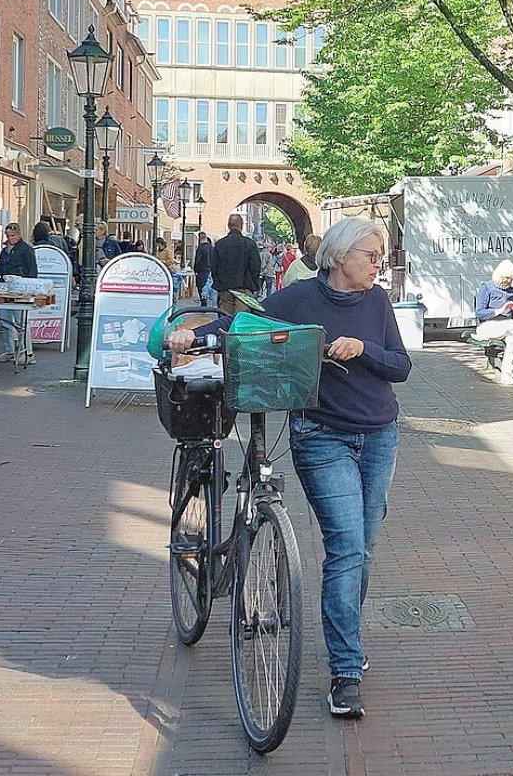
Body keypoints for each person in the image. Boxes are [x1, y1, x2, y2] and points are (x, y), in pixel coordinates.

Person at [165, 216, 409, 720]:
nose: (378, 263)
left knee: (362, 549)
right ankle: (345, 671)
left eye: (379, 254)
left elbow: (401, 367)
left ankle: (348, 637)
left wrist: (364, 350)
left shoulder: (378, 302)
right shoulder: (300, 299)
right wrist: (191, 336)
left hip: (381, 434)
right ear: (341, 256)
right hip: (323, 436)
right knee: (345, 545)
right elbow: (241, 324)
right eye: (371, 253)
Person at [473, 259, 513, 385]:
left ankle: (507, 375)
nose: (507, 281)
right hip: (487, 326)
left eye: (510, 279)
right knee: (512, 325)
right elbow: (480, 313)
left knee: (512, 341)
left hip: (506, 326)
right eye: (505, 278)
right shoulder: (486, 287)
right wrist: (500, 310)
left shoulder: (512, 290)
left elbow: (512, 316)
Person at [0, 222, 38, 364]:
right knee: (5, 321)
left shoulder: (26, 250)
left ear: (19, 235)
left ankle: (27, 353)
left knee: (21, 322)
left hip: (21, 289)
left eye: (12, 235)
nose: (10, 238)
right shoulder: (5, 250)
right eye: (8, 236)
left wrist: (28, 288)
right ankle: (9, 350)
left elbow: (32, 271)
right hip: (6, 289)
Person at [212, 214, 263, 314]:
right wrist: (253, 284)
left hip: (225, 288)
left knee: (226, 319)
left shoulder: (220, 244)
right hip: (244, 288)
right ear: (241, 226)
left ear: (228, 226)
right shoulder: (250, 244)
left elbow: (214, 267)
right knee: (241, 319)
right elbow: (255, 267)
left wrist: (219, 284)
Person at [192, 232, 214, 306]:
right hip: (211, 270)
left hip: (202, 271)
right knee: (209, 286)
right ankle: (211, 301)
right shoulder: (211, 248)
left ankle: (203, 303)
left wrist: (195, 270)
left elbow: (198, 261)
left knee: (201, 287)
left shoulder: (200, 248)